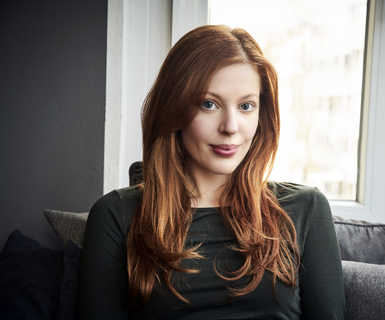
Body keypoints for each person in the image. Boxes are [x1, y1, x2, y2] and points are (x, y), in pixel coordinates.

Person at [77, 25, 347, 319]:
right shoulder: (115, 215)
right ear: (173, 109)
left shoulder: (305, 209)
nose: (230, 126)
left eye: (246, 106)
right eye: (209, 104)